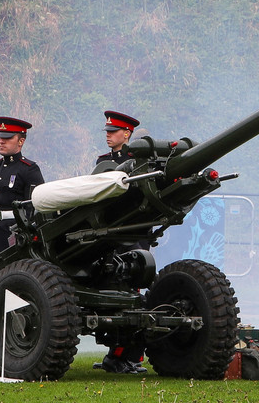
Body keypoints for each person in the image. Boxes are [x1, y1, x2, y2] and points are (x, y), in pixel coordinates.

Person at [91, 110, 147, 375]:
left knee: (131, 297)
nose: (109, 136)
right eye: (107, 132)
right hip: (108, 235)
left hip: (132, 234)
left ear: (127, 134)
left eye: (113, 132)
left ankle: (127, 356)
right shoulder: (103, 162)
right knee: (110, 295)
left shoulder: (137, 162)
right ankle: (114, 354)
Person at [0, 116, 44, 261]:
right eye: (0, 137)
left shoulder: (29, 170)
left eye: (8, 138)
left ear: (21, 141)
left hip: (16, 236)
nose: (1, 141)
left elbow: (34, 209)